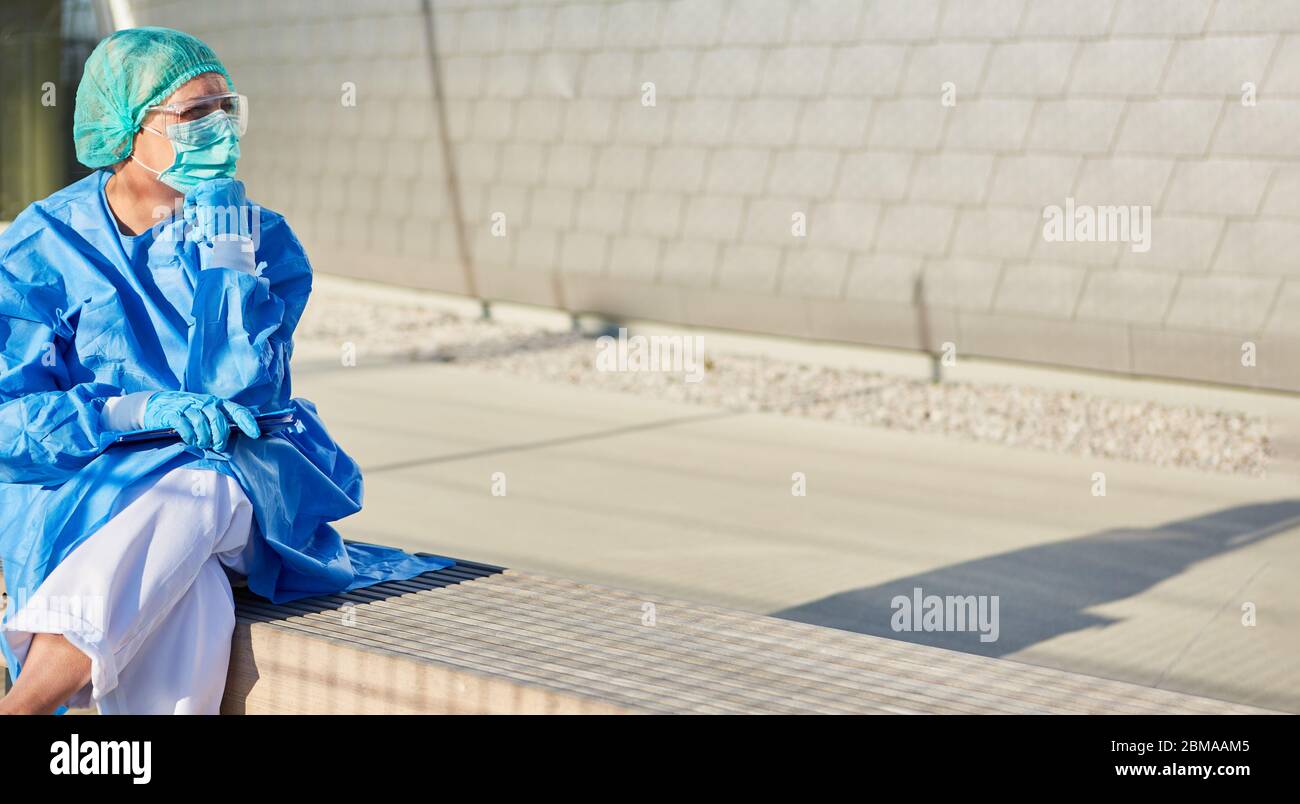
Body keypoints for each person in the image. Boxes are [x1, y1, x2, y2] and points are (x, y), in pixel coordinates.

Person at [0, 27, 452, 715]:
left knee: (204, 481)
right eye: (194, 114)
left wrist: (226, 247)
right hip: (87, 494)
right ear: (127, 129)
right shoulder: (42, 246)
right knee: (192, 595)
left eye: (226, 109)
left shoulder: (257, 234)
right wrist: (131, 414)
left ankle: (27, 705)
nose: (219, 130)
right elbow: (10, 422)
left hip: (239, 486)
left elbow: (245, 393)